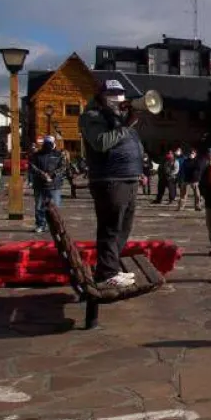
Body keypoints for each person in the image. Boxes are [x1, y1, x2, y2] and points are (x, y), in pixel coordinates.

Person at [78, 79, 144, 288]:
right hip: (110, 179)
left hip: (128, 179)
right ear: (100, 97)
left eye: (121, 93)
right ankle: (106, 273)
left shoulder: (117, 118)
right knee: (111, 227)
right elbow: (101, 143)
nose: (118, 97)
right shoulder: (92, 117)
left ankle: (111, 267)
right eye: (112, 93)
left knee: (124, 227)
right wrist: (126, 124)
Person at [30, 135, 65, 233]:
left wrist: (52, 175)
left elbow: (63, 167)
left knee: (55, 207)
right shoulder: (37, 155)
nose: (48, 145)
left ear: (54, 144)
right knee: (39, 206)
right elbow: (32, 166)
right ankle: (41, 224)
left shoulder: (59, 154)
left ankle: (55, 226)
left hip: (54, 185)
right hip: (40, 185)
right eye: (46, 143)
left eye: (50, 143)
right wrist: (42, 174)